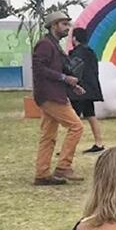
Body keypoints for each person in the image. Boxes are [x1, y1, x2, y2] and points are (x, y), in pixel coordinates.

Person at [32, 10, 86, 185]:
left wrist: (72, 85)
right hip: (51, 96)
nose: (67, 28)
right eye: (64, 24)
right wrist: (65, 78)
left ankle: (42, 174)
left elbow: (56, 70)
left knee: (48, 135)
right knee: (76, 126)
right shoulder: (45, 45)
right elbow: (39, 69)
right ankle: (63, 167)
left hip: (51, 94)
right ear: (54, 25)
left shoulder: (53, 44)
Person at [68, 28, 105, 153]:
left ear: (74, 38)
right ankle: (99, 143)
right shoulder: (91, 52)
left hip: (79, 90)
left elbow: (73, 71)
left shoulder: (76, 53)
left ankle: (69, 147)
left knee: (73, 120)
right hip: (90, 88)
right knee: (90, 115)